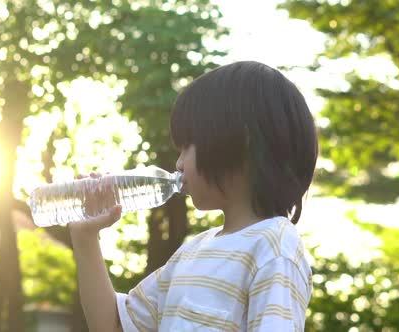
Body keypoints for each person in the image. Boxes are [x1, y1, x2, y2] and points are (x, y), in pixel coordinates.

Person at [69, 61, 318, 331]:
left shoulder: (274, 248)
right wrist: (85, 238)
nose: (178, 164)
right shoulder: (191, 251)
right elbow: (113, 325)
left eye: (187, 147)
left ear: (239, 143)